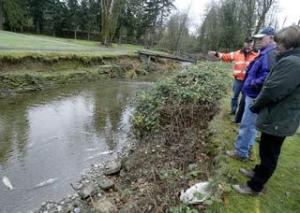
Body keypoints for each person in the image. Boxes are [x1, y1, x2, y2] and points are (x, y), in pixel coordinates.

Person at [233, 25, 300, 195]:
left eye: (279, 44)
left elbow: (272, 90)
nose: (276, 47)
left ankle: (255, 187)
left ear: (290, 45)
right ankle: (257, 172)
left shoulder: (292, 62)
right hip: (278, 115)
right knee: (265, 147)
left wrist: (256, 104)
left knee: (270, 153)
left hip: (280, 117)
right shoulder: (290, 59)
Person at [226, 27, 277, 160]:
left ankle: (240, 152)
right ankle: (246, 149)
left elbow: (268, 76)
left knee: (247, 124)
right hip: (254, 93)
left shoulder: (269, 54)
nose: (257, 41)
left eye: (261, 38)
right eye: (257, 39)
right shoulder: (264, 52)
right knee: (251, 125)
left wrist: (252, 83)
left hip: (254, 95)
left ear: (271, 38)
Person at [208, 37, 258, 116]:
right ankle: (233, 111)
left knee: (245, 99)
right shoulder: (237, 53)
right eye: (248, 42)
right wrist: (216, 53)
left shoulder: (257, 54)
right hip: (238, 80)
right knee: (234, 96)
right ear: (244, 43)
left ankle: (241, 115)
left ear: (253, 44)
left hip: (248, 81)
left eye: (251, 43)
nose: (249, 44)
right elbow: (225, 56)